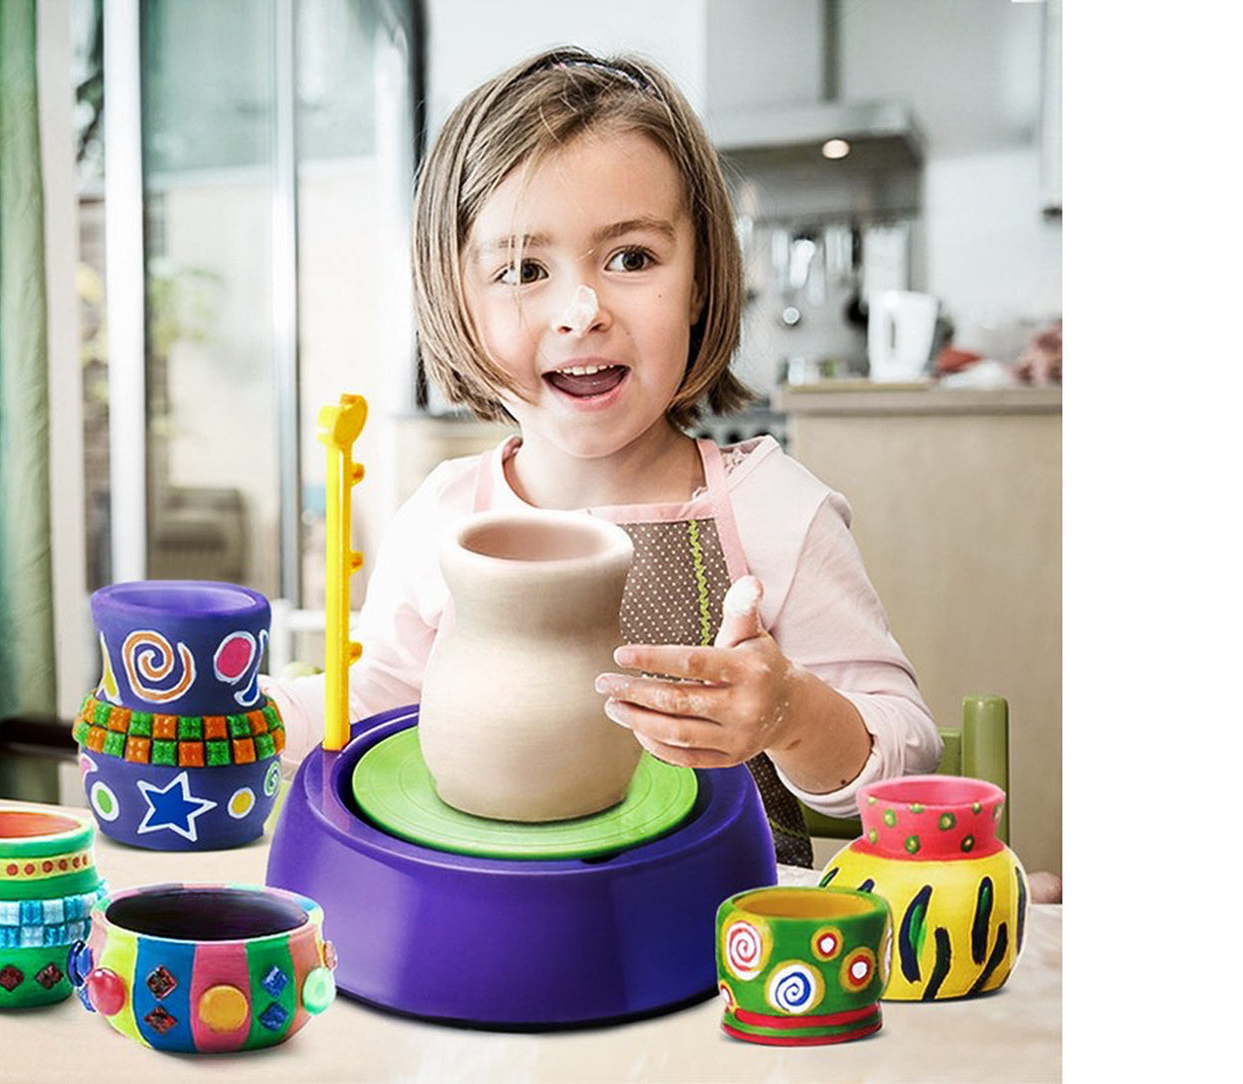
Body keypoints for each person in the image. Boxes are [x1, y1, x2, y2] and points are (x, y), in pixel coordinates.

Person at [262, 45, 941, 869]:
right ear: (457, 300)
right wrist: (245, 717)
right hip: (500, 933)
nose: (581, 311)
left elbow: (903, 760)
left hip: (731, 957)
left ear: (698, 280)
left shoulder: (772, 511)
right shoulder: (444, 516)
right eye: (523, 269)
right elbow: (367, 713)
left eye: (631, 259)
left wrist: (789, 713)